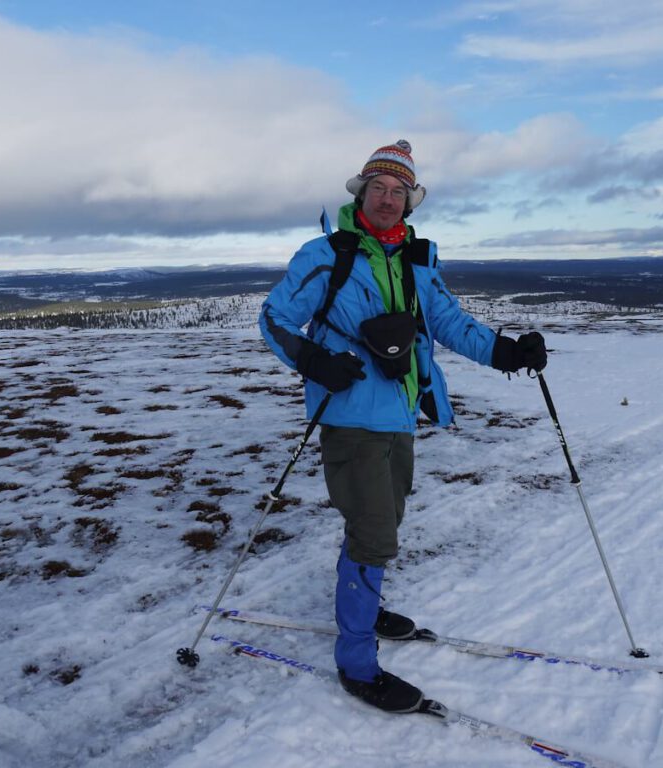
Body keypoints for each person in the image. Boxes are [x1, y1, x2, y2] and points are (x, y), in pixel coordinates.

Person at [258, 140, 547, 714]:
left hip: (399, 414)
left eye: (398, 192)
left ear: (410, 203)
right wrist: (312, 361)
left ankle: (366, 608)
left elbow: (448, 322)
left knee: (383, 520)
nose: (387, 199)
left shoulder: (417, 260)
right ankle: (357, 663)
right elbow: (274, 317)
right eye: (378, 189)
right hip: (349, 415)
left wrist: (508, 353)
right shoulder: (327, 255)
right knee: (374, 532)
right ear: (361, 193)